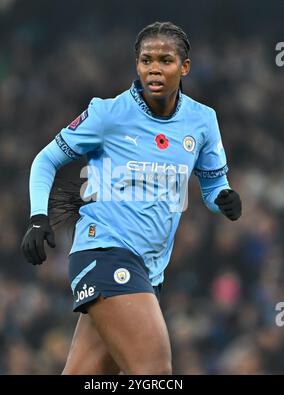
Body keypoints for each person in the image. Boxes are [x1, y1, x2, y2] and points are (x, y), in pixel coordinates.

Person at [21, 21, 242, 375]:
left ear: (184, 67)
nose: (154, 68)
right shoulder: (108, 114)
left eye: (165, 60)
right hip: (104, 253)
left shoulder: (202, 121)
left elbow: (215, 186)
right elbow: (46, 159)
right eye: (146, 60)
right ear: (137, 65)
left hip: (148, 270)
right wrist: (36, 216)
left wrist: (226, 199)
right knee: (154, 373)